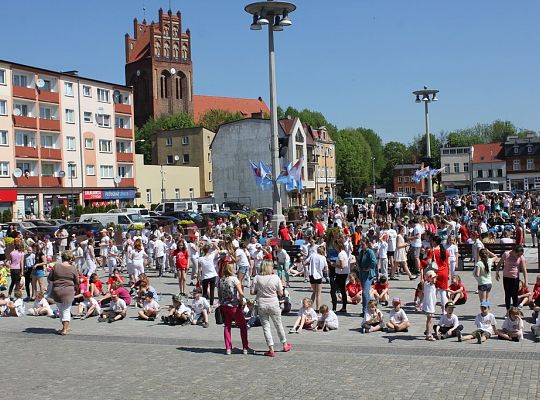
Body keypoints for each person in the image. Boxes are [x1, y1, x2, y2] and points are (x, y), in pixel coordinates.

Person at [251, 260, 293, 357]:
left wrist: (260, 291)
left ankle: (271, 348)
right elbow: (281, 293)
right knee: (278, 325)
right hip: (274, 303)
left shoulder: (257, 278)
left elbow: (252, 292)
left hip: (262, 304)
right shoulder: (275, 277)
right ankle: (285, 344)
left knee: (266, 327)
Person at [218, 261, 249, 355]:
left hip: (224, 305)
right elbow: (241, 293)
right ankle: (245, 347)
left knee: (227, 326)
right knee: (243, 326)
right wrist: (243, 301)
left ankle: (228, 348)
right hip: (233, 305)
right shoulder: (234, 279)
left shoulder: (221, 280)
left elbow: (219, 294)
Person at [47, 250, 80, 335]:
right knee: (66, 310)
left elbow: (50, 278)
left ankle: (65, 327)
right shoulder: (73, 268)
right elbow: (77, 281)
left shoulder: (56, 266)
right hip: (68, 291)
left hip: (57, 291)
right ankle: (65, 329)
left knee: (61, 310)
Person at [496, 245, 529, 310]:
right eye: (518, 255)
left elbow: (524, 270)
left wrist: (526, 282)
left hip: (515, 278)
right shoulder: (506, 254)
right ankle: (508, 311)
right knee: (507, 295)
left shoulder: (521, 257)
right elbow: (499, 263)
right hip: (506, 277)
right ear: (513, 251)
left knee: (514, 295)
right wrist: (497, 272)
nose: (519, 256)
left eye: (520, 255)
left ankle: (515, 311)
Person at [358, 239, 377, 316]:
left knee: (365, 292)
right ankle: (368, 309)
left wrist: (369, 268)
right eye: (361, 245)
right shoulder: (362, 252)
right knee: (365, 293)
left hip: (368, 274)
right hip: (362, 273)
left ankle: (366, 310)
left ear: (367, 244)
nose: (361, 246)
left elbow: (374, 261)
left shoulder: (370, 252)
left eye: (363, 245)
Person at [307, 246, 327, 312]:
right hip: (319, 276)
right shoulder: (323, 258)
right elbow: (326, 268)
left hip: (311, 274)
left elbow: (305, 262)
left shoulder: (312, 255)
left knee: (314, 292)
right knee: (318, 293)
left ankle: (309, 307)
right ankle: (317, 309)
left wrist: (310, 265)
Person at [332, 241, 350, 313]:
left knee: (333, 290)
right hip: (344, 273)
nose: (335, 248)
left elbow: (342, 266)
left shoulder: (340, 254)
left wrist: (334, 264)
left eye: (335, 246)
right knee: (342, 290)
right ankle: (344, 307)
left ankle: (334, 307)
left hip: (341, 274)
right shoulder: (344, 253)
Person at [423, 270, 437, 341]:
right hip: (429, 305)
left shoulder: (431, 285)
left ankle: (427, 330)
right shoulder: (428, 285)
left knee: (429, 319)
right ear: (430, 278)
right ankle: (428, 334)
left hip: (431, 305)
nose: (435, 279)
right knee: (429, 320)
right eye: (434, 278)